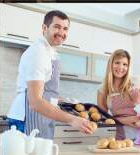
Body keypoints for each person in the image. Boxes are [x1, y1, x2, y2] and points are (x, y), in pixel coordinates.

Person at [7, 10, 93, 138]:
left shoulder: (49, 52)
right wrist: (72, 119)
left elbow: (44, 91)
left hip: (40, 115)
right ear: (44, 28)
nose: (61, 33)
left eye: (65, 28)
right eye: (57, 27)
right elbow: (35, 101)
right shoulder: (39, 53)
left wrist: (63, 100)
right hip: (26, 118)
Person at [97, 49, 140, 140]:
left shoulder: (136, 82)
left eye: (125, 64)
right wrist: (123, 120)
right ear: (111, 64)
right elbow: (104, 118)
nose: (120, 67)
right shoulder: (102, 89)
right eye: (117, 62)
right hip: (120, 134)